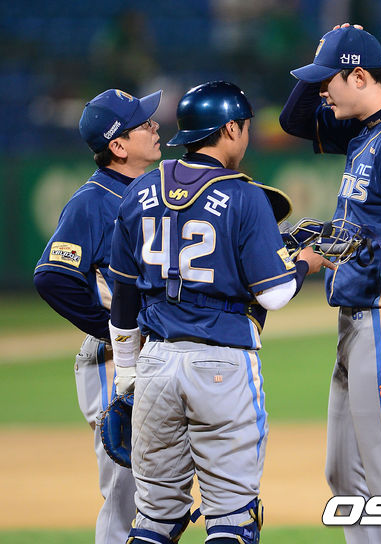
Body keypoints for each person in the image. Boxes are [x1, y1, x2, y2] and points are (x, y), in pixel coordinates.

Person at [107, 80, 333, 544]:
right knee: (233, 518)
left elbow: (124, 297)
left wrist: (127, 375)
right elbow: (274, 296)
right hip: (221, 364)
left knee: (155, 519)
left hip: (155, 364)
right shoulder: (245, 194)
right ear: (230, 129)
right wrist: (306, 263)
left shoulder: (140, 189)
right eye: (245, 127)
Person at [280, 23, 381, 543]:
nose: (321, 91)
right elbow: (293, 120)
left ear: (360, 77)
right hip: (357, 317)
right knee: (345, 475)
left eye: (328, 79)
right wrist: (323, 58)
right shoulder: (366, 130)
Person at [33, 87, 162, 544]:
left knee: (161, 498)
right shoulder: (92, 200)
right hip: (113, 362)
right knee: (128, 497)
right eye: (143, 123)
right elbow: (53, 277)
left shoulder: (151, 192)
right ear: (118, 145)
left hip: (153, 356)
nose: (155, 125)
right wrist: (114, 331)